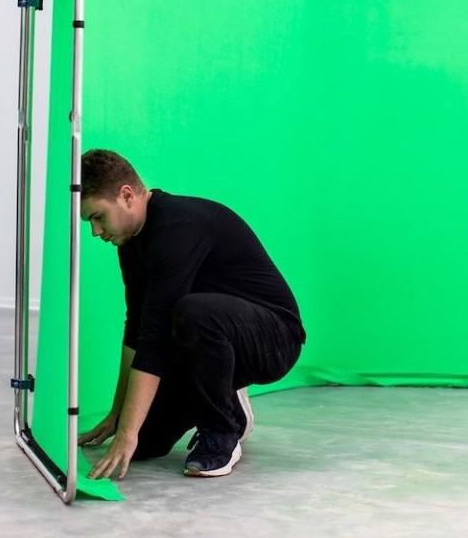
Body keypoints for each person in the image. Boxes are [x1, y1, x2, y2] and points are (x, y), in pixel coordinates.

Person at [77, 149, 306, 481]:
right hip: (209, 341)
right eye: (90, 222)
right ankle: (229, 402)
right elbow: (137, 328)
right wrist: (119, 416)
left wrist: (127, 432)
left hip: (274, 339)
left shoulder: (177, 228)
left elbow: (155, 339)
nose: (95, 231)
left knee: (193, 312)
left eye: (98, 217)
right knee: (145, 443)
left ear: (126, 195)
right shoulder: (130, 241)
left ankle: (221, 432)